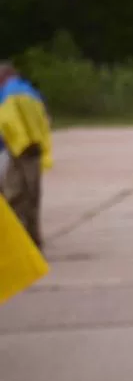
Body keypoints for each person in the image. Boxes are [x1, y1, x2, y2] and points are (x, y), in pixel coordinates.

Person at [0, 62, 53, 250]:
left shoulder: (8, 93)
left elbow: (8, 121)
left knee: (15, 194)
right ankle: (33, 238)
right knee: (31, 194)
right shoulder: (30, 91)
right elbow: (45, 118)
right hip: (33, 148)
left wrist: (16, 142)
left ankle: (19, 241)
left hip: (18, 149)